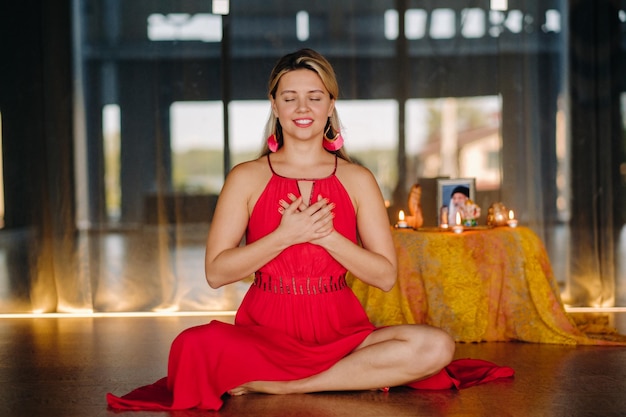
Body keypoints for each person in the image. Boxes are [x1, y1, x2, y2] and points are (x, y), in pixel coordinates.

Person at [107, 48, 512, 412]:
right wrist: (285, 234)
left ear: (330, 104)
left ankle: (288, 387)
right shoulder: (245, 177)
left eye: (315, 97)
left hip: (342, 331)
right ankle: (335, 378)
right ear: (275, 104)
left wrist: (327, 236)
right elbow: (216, 272)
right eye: (290, 97)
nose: (303, 107)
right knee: (190, 345)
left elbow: (385, 276)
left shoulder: (357, 179)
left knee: (436, 345)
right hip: (264, 332)